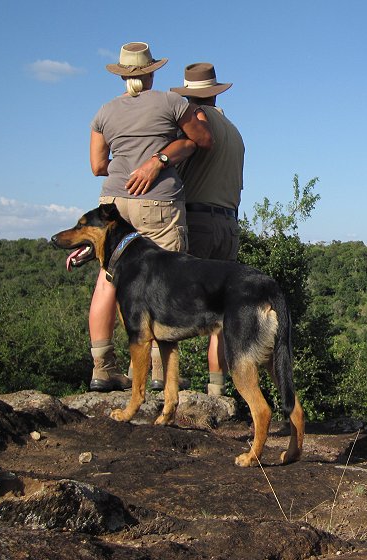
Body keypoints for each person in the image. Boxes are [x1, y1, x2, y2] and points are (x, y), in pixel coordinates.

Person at [86, 42, 212, 392]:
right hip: (157, 201)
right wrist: (161, 158)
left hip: (112, 202)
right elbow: (203, 139)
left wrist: (125, 168)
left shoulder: (104, 113)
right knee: (164, 280)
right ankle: (159, 373)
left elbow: (97, 165)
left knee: (107, 280)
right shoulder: (171, 103)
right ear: (152, 71)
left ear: (123, 74)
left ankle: (102, 368)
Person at [170, 62, 245, 397]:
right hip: (228, 224)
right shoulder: (234, 131)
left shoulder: (193, 125)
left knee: (172, 301)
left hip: (197, 219)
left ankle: (164, 383)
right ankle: (217, 391)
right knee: (221, 313)